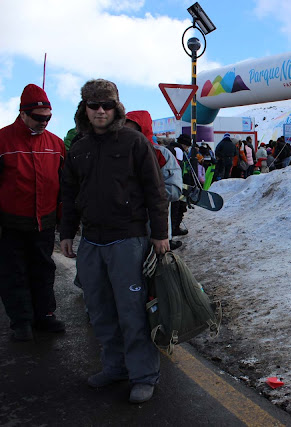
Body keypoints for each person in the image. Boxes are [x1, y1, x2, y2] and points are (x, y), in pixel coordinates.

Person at [59, 79, 169, 404]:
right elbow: (68, 193)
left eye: (106, 105)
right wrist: (67, 232)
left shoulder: (135, 142)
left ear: (117, 108)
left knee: (132, 313)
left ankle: (144, 375)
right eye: (94, 105)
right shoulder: (78, 148)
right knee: (100, 311)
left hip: (128, 241)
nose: (100, 111)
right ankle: (115, 367)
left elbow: (155, 190)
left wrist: (161, 233)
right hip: (92, 242)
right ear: (85, 109)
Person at [0, 84, 66, 342]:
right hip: (10, 224)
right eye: (39, 118)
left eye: (48, 118)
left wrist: (63, 220)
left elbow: (65, 186)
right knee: (13, 272)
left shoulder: (56, 144)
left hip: (45, 222)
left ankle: (45, 315)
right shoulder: (3, 140)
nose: (44, 123)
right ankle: (21, 321)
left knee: (43, 269)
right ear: (23, 113)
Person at [125, 110, 183, 250]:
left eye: (132, 129)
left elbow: (174, 190)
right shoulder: (116, 153)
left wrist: (140, 194)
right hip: (122, 233)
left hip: (153, 230)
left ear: (143, 129)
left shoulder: (160, 154)